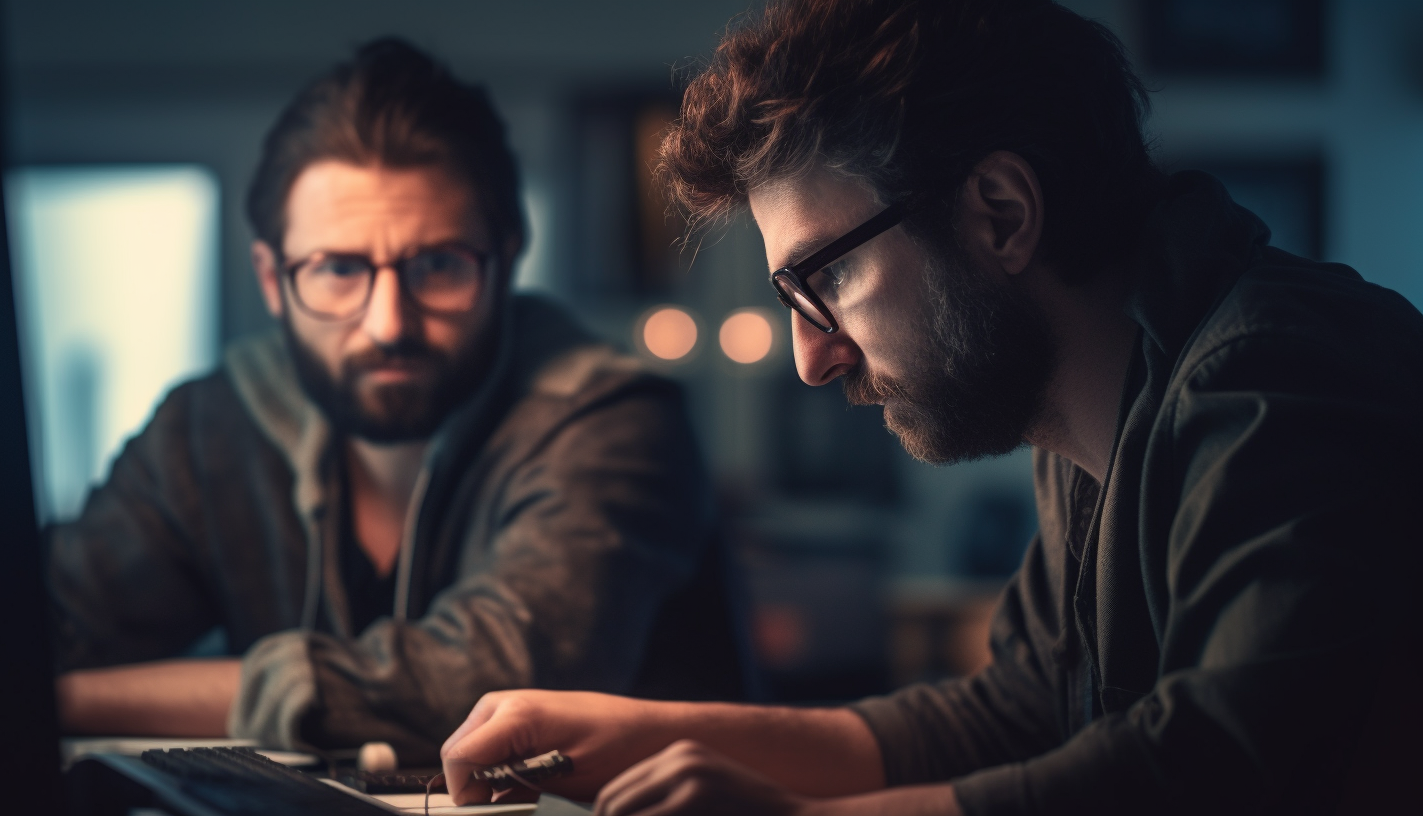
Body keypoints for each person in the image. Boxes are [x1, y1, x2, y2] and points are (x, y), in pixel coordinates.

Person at [438, 0, 1423, 813]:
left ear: (1000, 211)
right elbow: (1012, 719)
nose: (812, 359)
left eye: (822, 280)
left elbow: (1217, 774)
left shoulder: (1274, 379)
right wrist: (640, 730)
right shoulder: (1096, 411)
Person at [49, 38, 746, 764]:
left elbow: (485, 687)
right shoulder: (205, 432)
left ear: (507, 257)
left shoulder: (612, 419)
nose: (388, 323)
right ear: (270, 280)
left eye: (438, 265)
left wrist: (60, 699)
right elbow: (46, 627)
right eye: (338, 269)